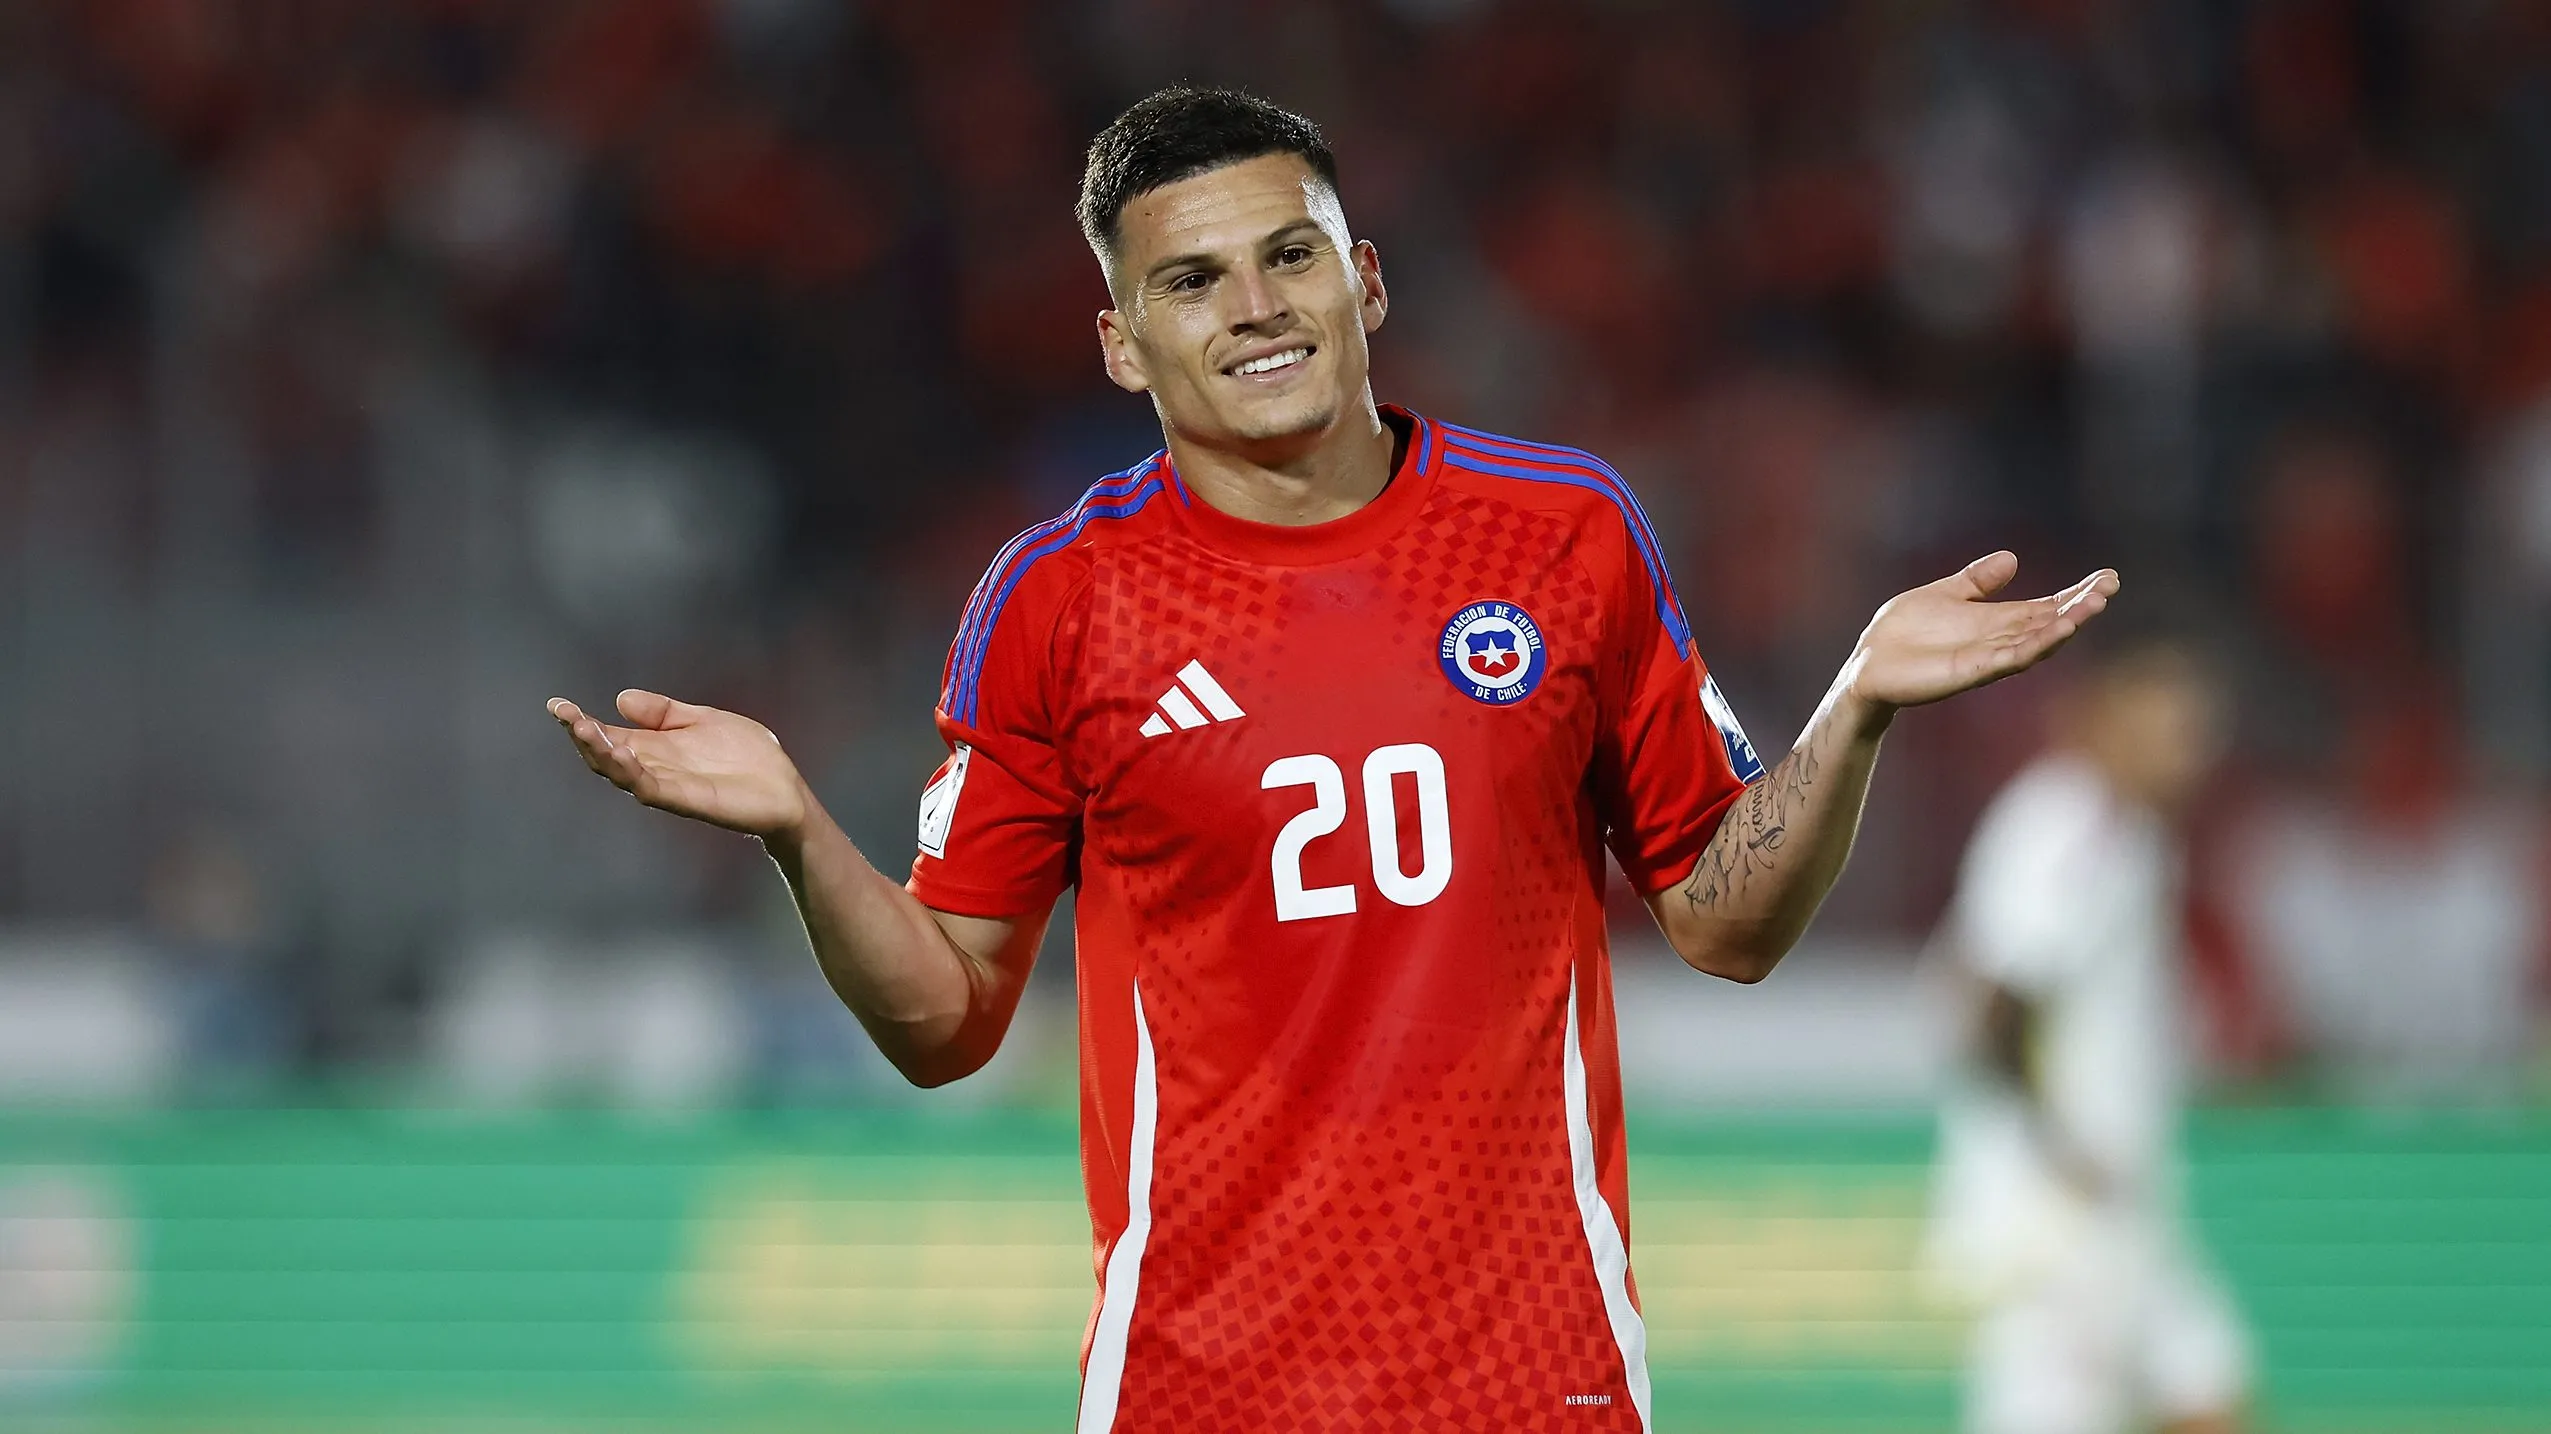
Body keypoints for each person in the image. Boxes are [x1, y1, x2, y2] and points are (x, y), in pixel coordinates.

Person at [548, 87, 2118, 1432]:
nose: (1253, 305)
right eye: (1191, 279)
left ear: (1363, 279)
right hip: (1199, 1384)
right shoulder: (1055, 602)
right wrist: (799, 835)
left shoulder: (1561, 532)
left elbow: (1723, 918)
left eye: (1289, 253)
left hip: (1535, 1375)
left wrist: (1850, 712)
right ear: (1119, 339)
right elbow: (948, 1019)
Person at [1924, 637, 2251, 1434]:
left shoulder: (2127, 835)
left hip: (2118, 1203)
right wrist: (2064, 1151)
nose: (2188, 747)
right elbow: (1990, 1005)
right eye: (2169, 720)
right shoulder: (2061, 826)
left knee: (2203, 1387)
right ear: (2105, 712)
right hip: (2059, 1220)